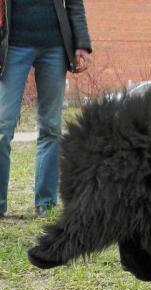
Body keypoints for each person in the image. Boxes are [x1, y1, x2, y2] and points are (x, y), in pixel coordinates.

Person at [0, 0, 92, 218]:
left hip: (54, 48)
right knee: (3, 127)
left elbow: (74, 5)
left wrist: (82, 43)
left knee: (51, 128)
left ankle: (46, 202)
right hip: (12, 47)